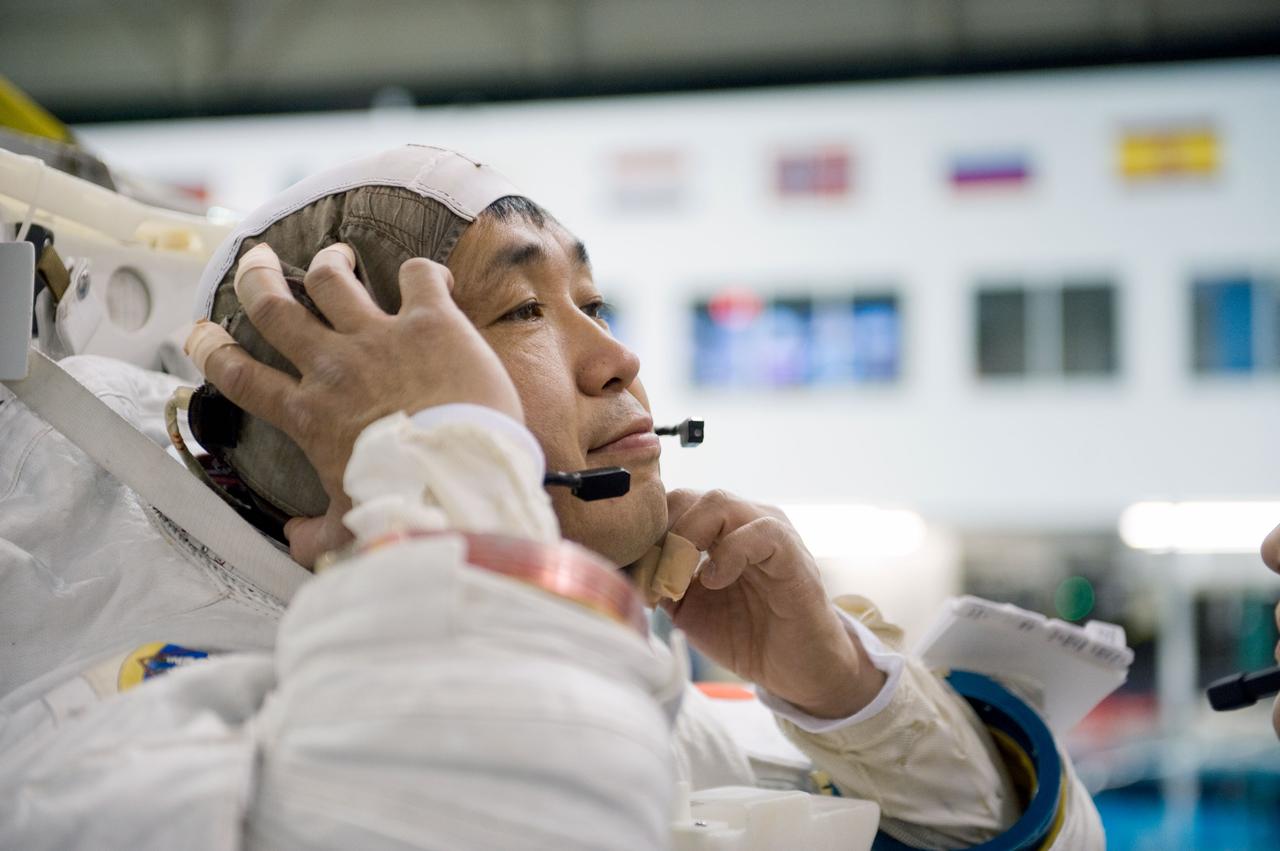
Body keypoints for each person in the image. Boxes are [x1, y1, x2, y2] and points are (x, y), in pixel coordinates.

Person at [1, 146, 1103, 848]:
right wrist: (450, 474)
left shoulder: (626, 694)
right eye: (524, 310)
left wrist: (842, 690)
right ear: (324, 388)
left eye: (593, 302)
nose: (619, 357)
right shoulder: (103, 705)